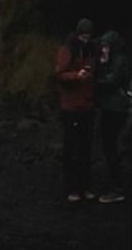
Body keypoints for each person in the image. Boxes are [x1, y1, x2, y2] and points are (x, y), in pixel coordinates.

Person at [51, 21, 101, 204]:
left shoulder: (92, 50)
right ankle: (71, 188)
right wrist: (76, 76)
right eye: (83, 36)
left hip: (87, 105)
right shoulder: (67, 50)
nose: (86, 39)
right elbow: (59, 74)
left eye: (89, 36)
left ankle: (85, 186)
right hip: (71, 107)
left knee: (85, 149)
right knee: (71, 149)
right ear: (78, 34)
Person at [95, 28, 128, 204]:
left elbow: (111, 83)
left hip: (116, 110)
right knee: (108, 147)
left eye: (106, 46)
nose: (104, 49)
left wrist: (95, 79)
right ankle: (113, 183)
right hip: (110, 108)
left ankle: (117, 187)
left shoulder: (120, 62)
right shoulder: (114, 61)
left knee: (111, 147)